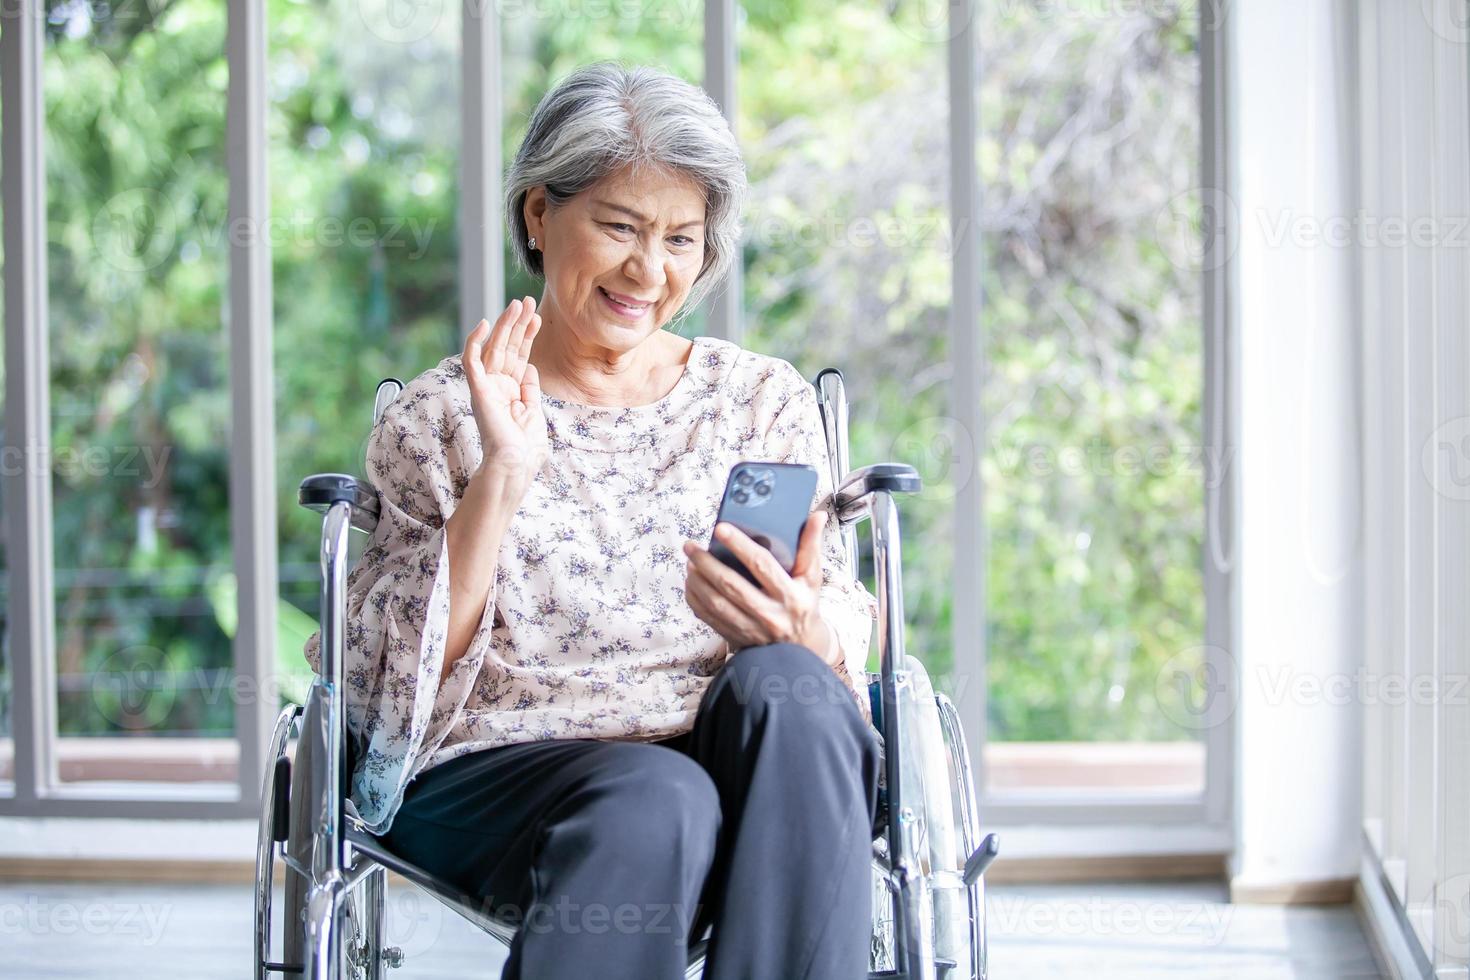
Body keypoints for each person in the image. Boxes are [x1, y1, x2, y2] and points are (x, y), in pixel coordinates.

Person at [303, 61, 882, 980]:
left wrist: (801, 627)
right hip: (503, 769)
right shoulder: (443, 416)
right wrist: (503, 473)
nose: (649, 271)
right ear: (539, 214)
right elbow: (383, 686)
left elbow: (841, 609)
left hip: (729, 754)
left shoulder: (758, 402)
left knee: (798, 691)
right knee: (656, 795)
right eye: (619, 226)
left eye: (681, 240)